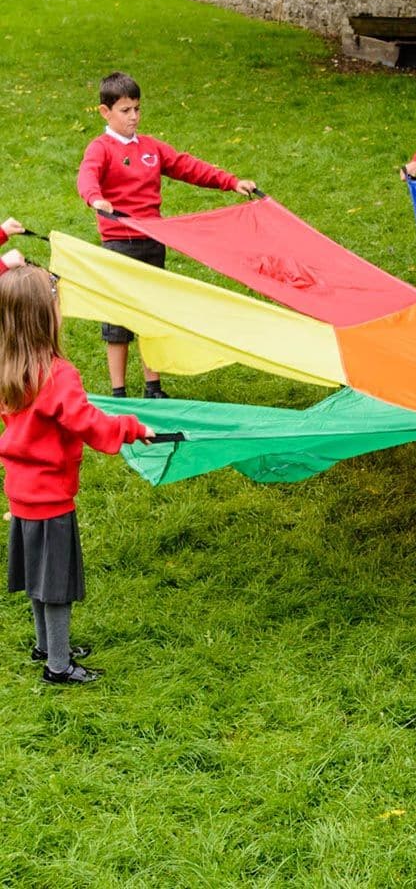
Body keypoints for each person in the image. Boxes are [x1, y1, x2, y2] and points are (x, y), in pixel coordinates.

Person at [0, 265, 151, 684]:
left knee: (36, 576)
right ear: (45, 317)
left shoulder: (8, 367)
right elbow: (86, 422)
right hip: (50, 498)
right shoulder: (57, 374)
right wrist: (132, 429)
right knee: (56, 586)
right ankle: (59, 666)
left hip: (21, 494)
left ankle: (47, 645)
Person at [76, 71, 257, 399]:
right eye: (125, 110)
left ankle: (153, 387)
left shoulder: (151, 148)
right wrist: (95, 198)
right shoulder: (100, 148)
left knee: (151, 314)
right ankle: (119, 392)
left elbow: (189, 167)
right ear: (106, 112)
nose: (133, 116)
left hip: (152, 241)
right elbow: (87, 177)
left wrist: (231, 181)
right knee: (117, 320)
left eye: (137, 109)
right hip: (118, 244)